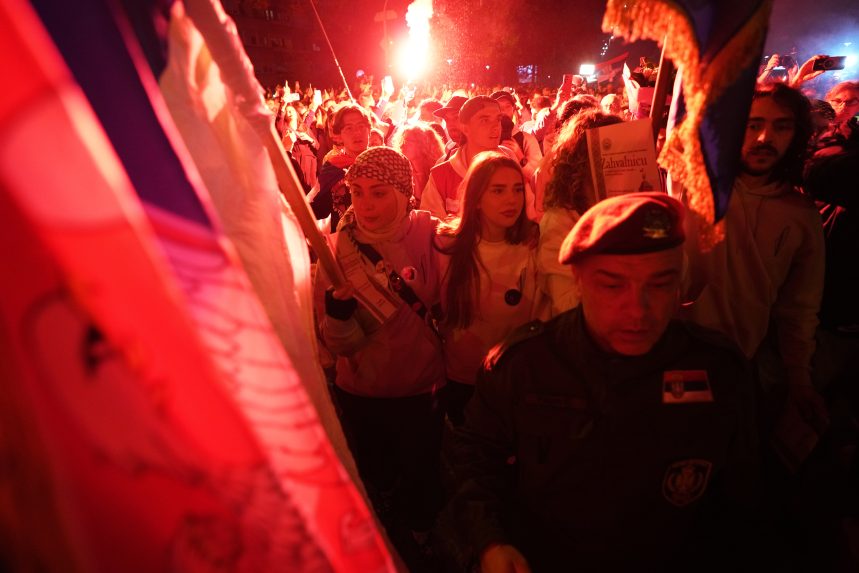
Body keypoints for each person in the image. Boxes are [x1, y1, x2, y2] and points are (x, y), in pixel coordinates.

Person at [450, 192, 763, 572]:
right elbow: (476, 458)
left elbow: (742, 496)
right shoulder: (526, 365)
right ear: (578, 279)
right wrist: (491, 542)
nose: (637, 309)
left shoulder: (717, 369)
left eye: (659, 284)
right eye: (612, 286)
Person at [681, 82, 827, 469]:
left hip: (744, 372)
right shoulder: (691, 190)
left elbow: (799, 308)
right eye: (752, 124)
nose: (765, 137)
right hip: (676, 362)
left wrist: (799, 378)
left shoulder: (799, 215)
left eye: (781, 126)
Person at [314, 147, 445, 561]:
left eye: (379, 193)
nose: (365, 204)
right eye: (358, 191)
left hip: (422, 390)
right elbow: (337, 344)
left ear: (405, 193)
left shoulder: (431, 235)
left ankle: (422, 538)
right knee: (376, 475)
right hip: (362, 392)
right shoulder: (336, 252)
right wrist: (338, 316)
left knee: (422, 474)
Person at [434, 152, 545, 426]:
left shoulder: (532, 244)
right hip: (463, 379)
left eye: (518, 190)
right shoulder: (446, 246)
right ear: (477, 199)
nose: (511, 199)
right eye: (498, 190)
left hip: (517, 379)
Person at [537, 109, 623, 316]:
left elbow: (680, 277)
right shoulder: (560, 220)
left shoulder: (637, 211)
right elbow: (566, 304)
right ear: (581, 164)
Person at [421, 96, 531, 222]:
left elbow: (529, 210)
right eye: (485, 120)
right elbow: (431, 226)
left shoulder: (509, 158)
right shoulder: (441, 174)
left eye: (498, 119)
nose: (496, 127)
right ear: (465, 128)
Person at [309, 104, 371, 232]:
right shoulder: (333, 166)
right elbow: (315, 205)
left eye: (361, 126)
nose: (357, 133)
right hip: (346, 241)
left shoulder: (382, 160)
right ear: (339, 135)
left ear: (369, 130)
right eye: (349, 128)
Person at [391, 124, 445, 205]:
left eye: (407, 141)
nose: (402, 145)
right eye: (401, 141)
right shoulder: (401, 174)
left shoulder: (439, 172)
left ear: (423, 144)